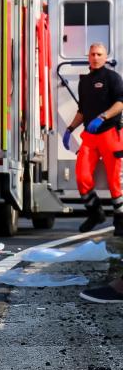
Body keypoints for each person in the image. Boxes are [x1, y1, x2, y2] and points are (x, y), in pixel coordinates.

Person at [63, 42, 123, 234]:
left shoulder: (113, 78)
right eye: (92, 54)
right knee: (82, 176)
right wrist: (70, 128)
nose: (95, 57)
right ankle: (95, 213)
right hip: (89, 136)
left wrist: (103, 116)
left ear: (105, 58)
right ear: (88, 57)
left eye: (99, 54)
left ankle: (120, 220)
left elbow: (121, 102)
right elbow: (82, 110)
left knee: (116, 180)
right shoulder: (84, 81)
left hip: (110, 133)